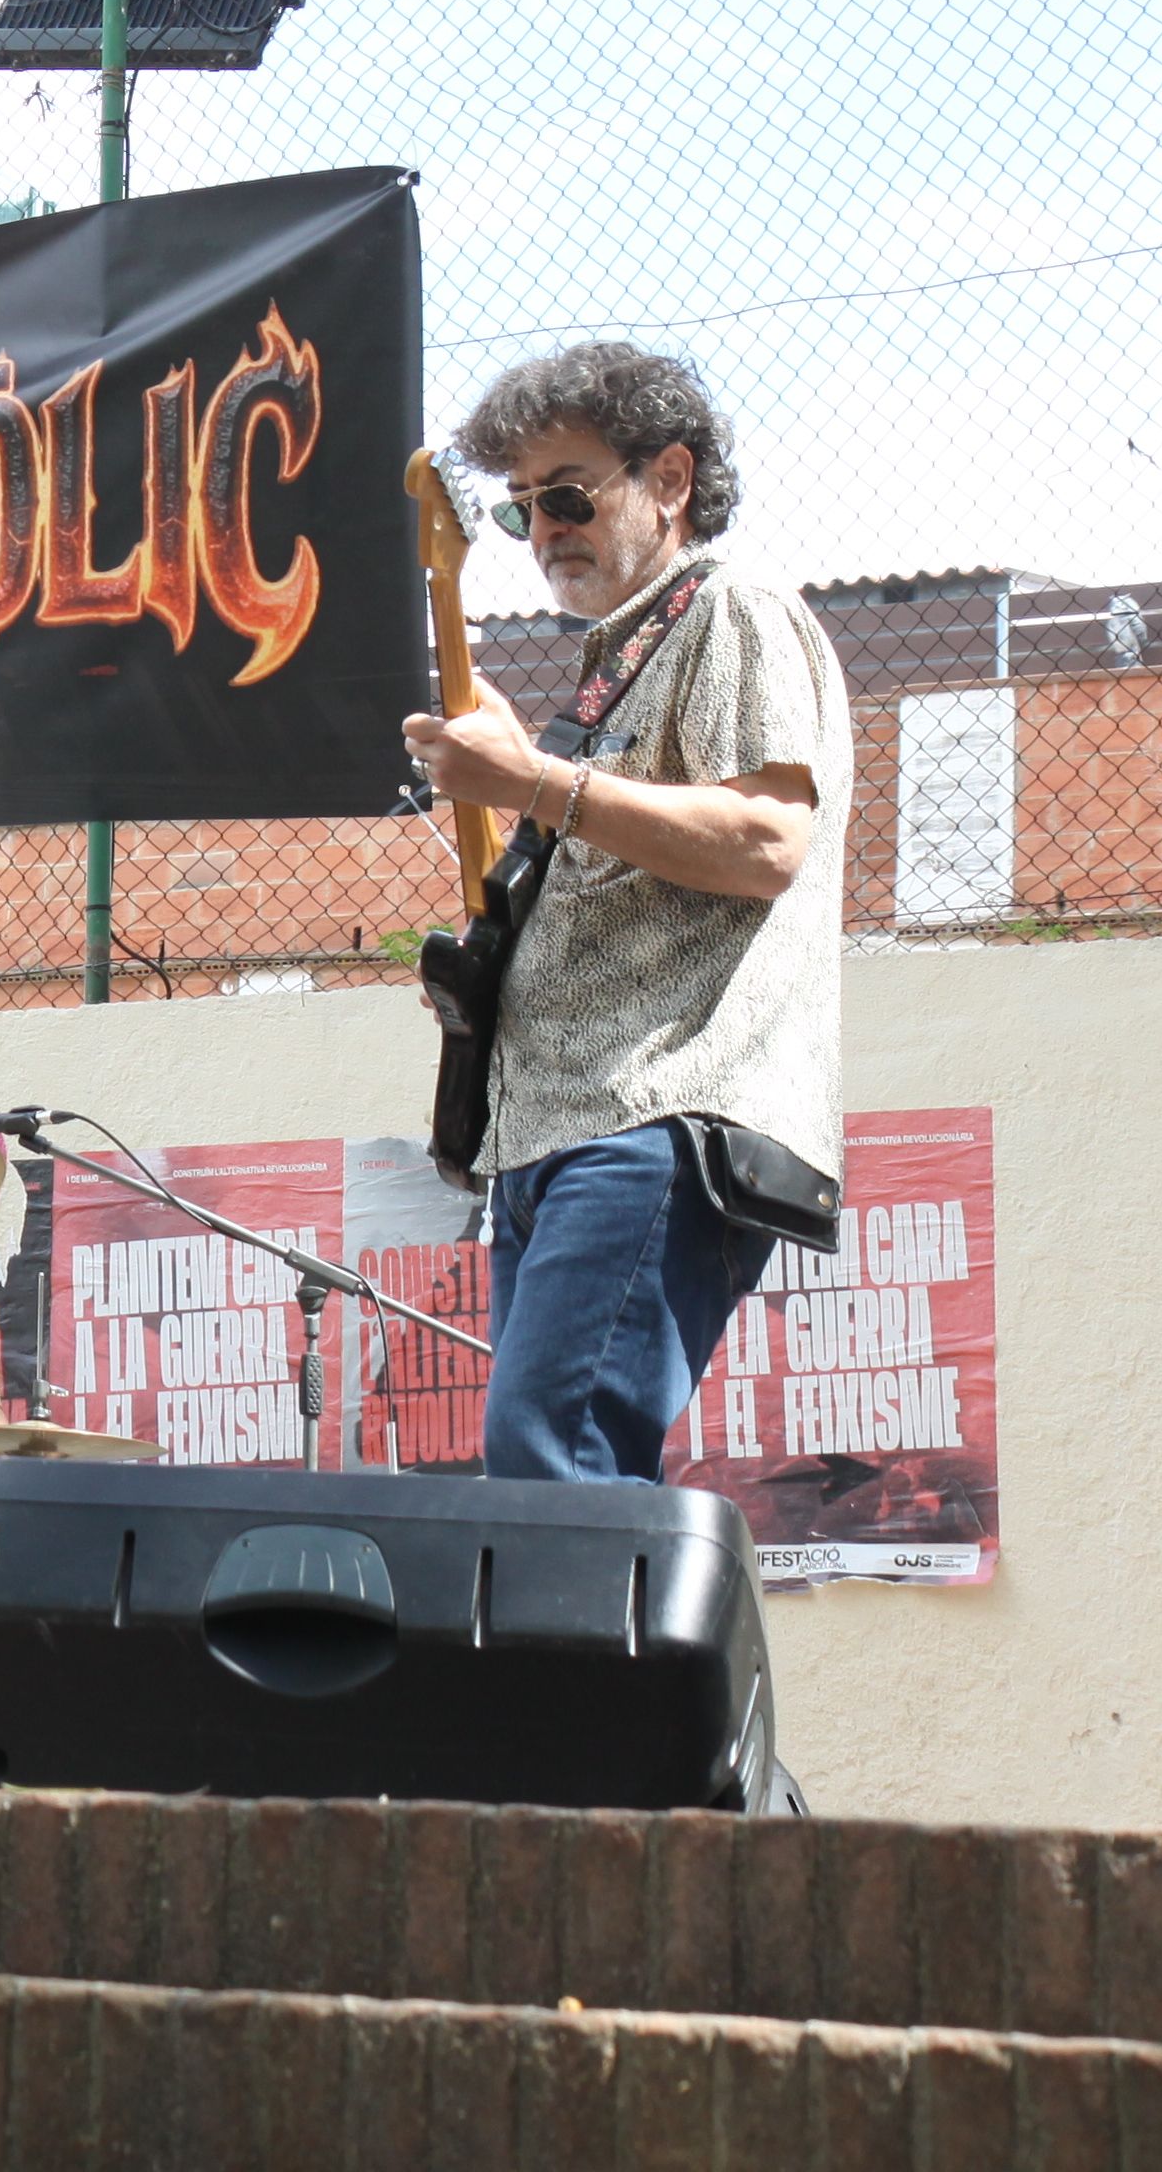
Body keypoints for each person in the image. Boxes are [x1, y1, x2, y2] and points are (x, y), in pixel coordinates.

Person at [402, 341, 847, 1484]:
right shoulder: (622, 664)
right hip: (554, 1128)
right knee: (542, 1463)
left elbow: (766, 840)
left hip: (653, 1116)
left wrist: (535, 784)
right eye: (522, 511)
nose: (544, 531)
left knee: (556, 1455)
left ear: (670, 480)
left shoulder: (731, 611)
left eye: (568, 495)